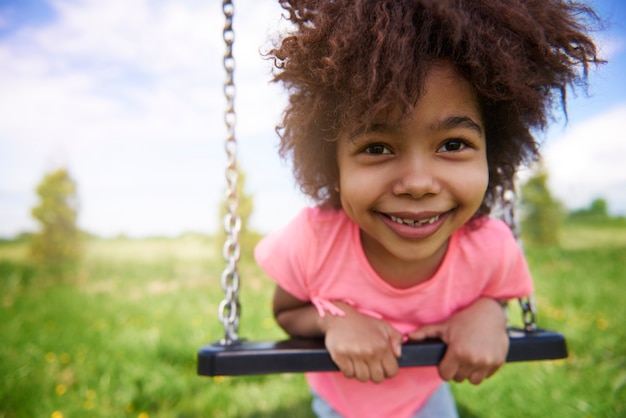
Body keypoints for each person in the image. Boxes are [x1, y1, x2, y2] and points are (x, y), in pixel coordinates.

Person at [254, 1, 602, 417]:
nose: (418, 183)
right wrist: (334, 320)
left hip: (427, 399)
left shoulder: (488, 247)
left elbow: (495, 293)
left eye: (453, 144)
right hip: (338, 401)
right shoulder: (314, 241)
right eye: (377, 148)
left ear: (493, 149)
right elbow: (288, 311)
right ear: (334, 165)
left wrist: (488, 313)